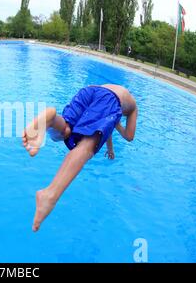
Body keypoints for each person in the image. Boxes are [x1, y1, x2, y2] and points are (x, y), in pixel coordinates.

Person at [22, 84, 138, 232]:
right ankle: (50, 194)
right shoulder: (133, 105)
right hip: (110, 101)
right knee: (86, 146)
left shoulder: (114, 90)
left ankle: (51, 120)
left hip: (90, 91)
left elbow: (103, 128)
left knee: (65, 131)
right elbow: (129, 136)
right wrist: (117, 120)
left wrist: (111, 138)